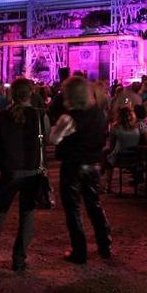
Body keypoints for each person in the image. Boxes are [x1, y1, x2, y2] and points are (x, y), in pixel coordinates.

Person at [0, 76, 49, 273]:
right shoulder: (40, 117)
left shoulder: (0, 118)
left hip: (10, 171)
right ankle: (18, 260)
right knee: (27, 216)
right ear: (30, 93)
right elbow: (47, 140)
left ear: (11, 94)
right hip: (33, 171)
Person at [49, 74, 112, 264]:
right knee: (94, 204)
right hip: (93, 163)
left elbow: (54, 139)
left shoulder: (69, 118)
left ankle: (79, 250)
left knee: (73, 208)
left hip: (73, 165)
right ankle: (105, 244)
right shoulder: (99, 113)